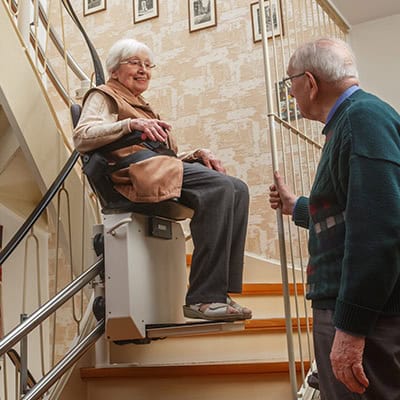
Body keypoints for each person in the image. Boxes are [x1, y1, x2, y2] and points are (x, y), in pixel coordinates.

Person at [73, 38, 252, 322]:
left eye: (147, 65)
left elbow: (163, 154)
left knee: (237, 188)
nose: (143, 70)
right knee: (218, 187)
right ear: (115, 70)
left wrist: (196, 154)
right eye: (135, 63)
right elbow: (82, 136)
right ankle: (204, 299)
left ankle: (219, 293)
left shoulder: (142, 105)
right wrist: (129, 124)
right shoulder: (104, 95)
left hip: (155, 167)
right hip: (131, 174)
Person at [269, 37, 400, 399]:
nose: (290, 92)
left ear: (310, 82)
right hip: (353, 313)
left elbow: (378, 231)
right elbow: (350, 215)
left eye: (290, 81)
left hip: (364, 318)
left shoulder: (362, 119)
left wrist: (352, 329)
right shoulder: (355, 120)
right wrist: (295, 206)